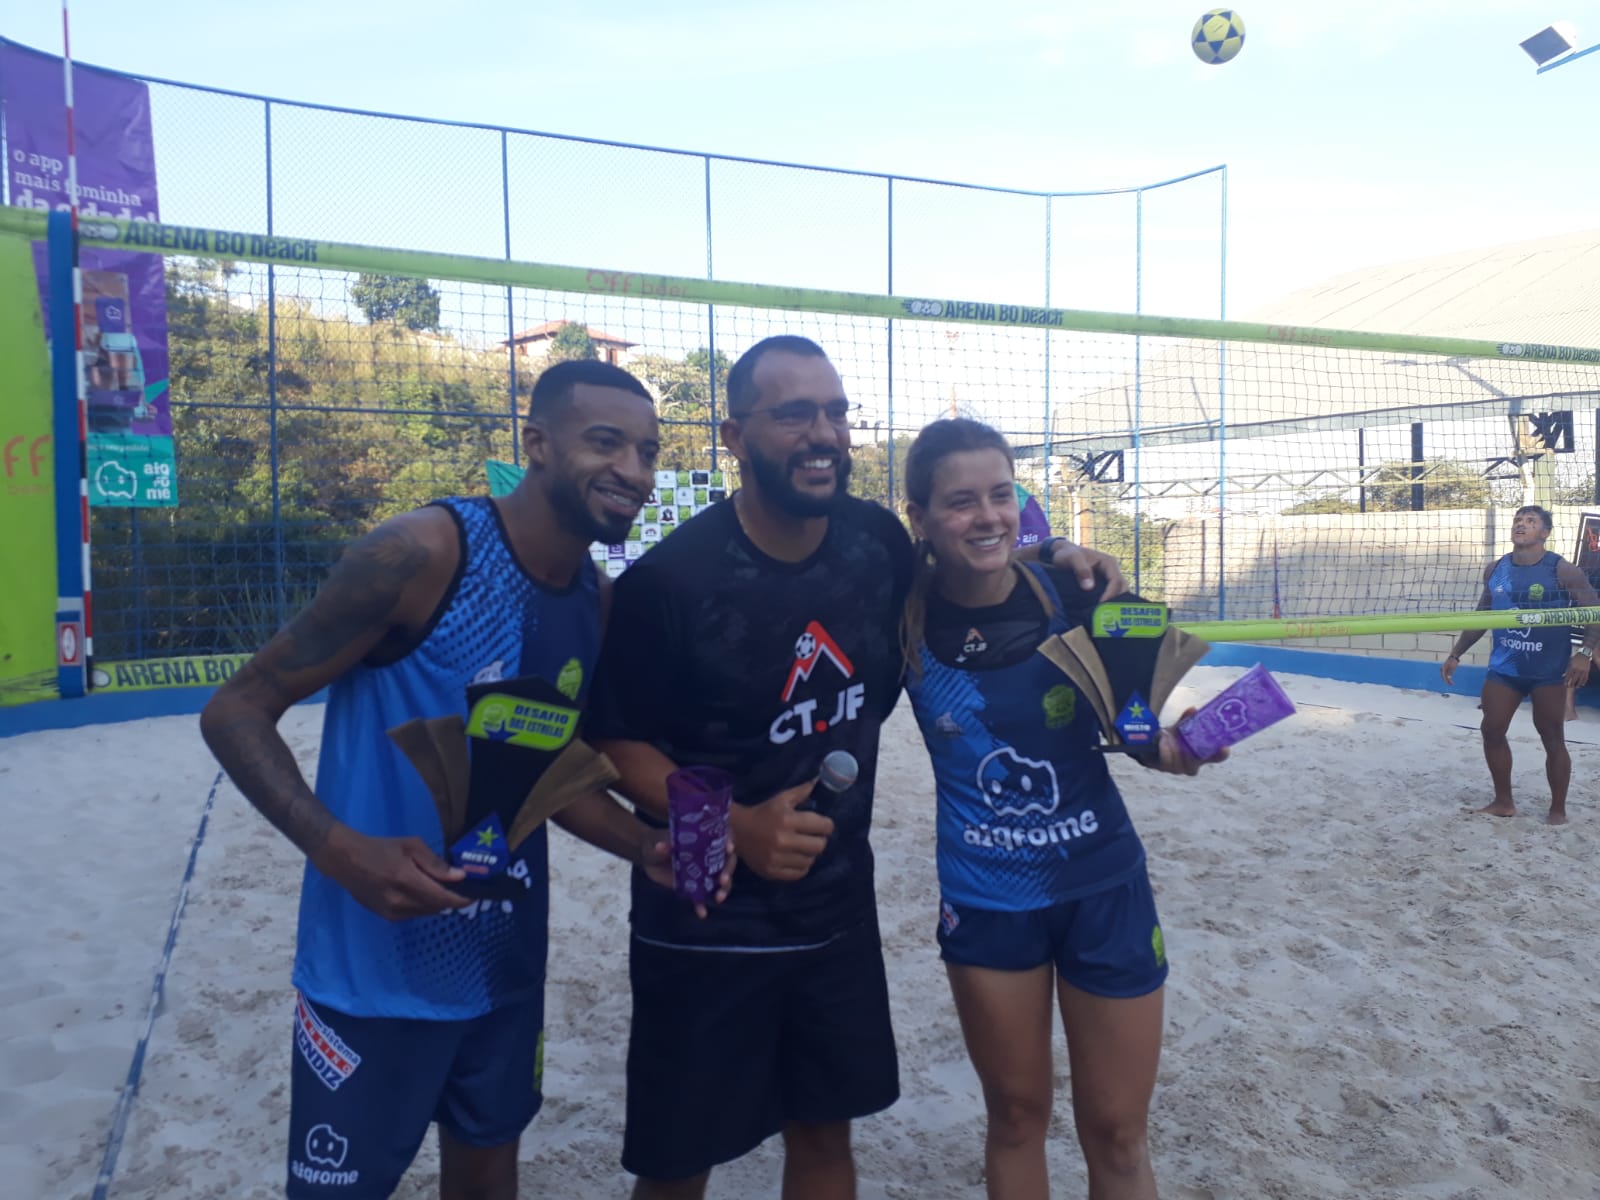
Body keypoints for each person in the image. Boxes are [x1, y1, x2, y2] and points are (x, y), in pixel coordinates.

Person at [587, 335, 1126, 1200]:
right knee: (679, 1162)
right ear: (735, 438)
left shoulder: (873, 542)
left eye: (836, 413)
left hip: (834, 908)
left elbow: (966, 560)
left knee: (824, 1136)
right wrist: (736, 825)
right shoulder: (673, 581)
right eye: (794, 414)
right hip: (705, 918)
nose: (824, 434)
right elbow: (616, 744)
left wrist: (1055, 549)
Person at [200, 359, 724, 1200]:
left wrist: (642, 845)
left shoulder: (593, 599)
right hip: (372, 972)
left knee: (486, 1173)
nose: (633, 469)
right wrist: (339, 849)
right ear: (536, 445)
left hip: (502, 963)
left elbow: (540, 769)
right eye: (606, 442)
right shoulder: (419, 553)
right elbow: (236, 709)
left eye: (648, 451)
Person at [898, 418, 1223, 1200]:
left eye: (1001, 495)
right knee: (1016, 1118)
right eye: (961, 501)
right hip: (986, 899)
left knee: (1118, 1134)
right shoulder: (898, 615)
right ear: (921, 519)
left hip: (1102, 886)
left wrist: (1172, 747)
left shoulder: (1077, 595)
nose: (988, 516)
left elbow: (1133, 727)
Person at [1440, 503, 1600, 826]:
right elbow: (1482, 616)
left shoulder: (1562, 570)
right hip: (1506, 669)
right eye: (1517, 519)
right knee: (1491, 730)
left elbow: (1594, 612)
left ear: (1545, 532)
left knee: (1552, 737)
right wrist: (1456, 653)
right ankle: (1504, 802)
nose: (1521, 524)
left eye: (1530, 521)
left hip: (1548, 671)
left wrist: (1584, 653)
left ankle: (1557, 811)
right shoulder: (1495, 569)